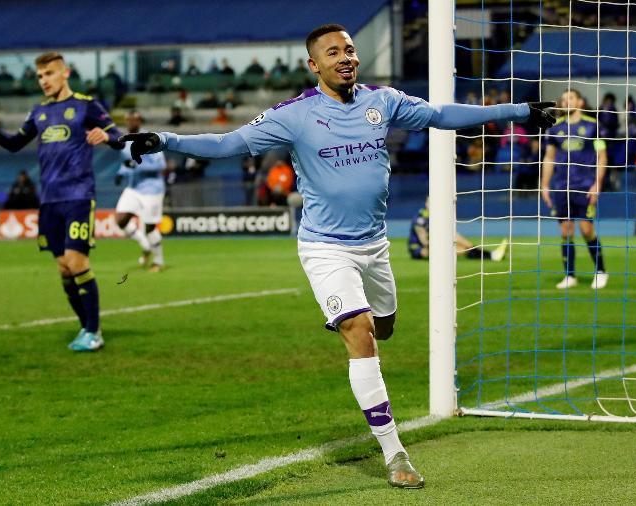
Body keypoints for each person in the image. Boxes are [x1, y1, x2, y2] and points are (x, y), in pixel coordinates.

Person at [121, 23, 555, 489]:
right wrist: (167, 140)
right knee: (359, 329)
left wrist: (520, 110)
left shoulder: (382, 101)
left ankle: (372, 337)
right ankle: (395, 453)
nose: (345, 57)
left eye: (349, 50)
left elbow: (441, 115)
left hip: (375, 245)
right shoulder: (295, 115)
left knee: (384, 325)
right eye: (333, 52)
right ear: (315, 65)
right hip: (325, 247)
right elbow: (228, 144)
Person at [0, 51, 123, 352]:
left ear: (65, 73)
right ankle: (87, 326)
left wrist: (106, 137)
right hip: (50, 201)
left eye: (49, 74)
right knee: (63, 268)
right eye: (40, 76)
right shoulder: (38, 112)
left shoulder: (86, 105)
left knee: (77, 261)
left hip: (79, 195)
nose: (44, 81)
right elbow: (15, 143)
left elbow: (119, 136)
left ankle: (94, 332)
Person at [541, 89, 608, 289]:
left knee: (586, 228)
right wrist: (544, 185)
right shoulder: (554, 128)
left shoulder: (592, 125)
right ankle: (570, 275)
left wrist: (597, 184)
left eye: (570, 98)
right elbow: (549, 157)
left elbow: (602, 157)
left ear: (579, 101)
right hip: (561, 187)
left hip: (585, 186)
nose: (566, 101)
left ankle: (601, 271)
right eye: (563, 99)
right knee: (565, 230)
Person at [115, 110, 167, 272]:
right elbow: (126, 164)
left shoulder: (150, 139)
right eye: (127, 120)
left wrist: (137, 167)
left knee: (149, 227)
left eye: (133, 119)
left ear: (139, 121)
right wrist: (120, 173)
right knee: (121, 220)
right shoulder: (124, 143)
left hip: (151, 189)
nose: (130, 122)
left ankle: (158, 261)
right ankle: (145, 247)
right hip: (133, 188)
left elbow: (160, 166)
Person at [408, 197, 508, 261]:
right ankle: (492, 255)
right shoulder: (420, 218)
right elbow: (424, 241)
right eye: (430, 202)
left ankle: (491, 255)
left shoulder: (436, 216)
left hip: (434, 244)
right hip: (419, 248)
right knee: (453, 249)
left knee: (458, 240)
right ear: (426, 204)